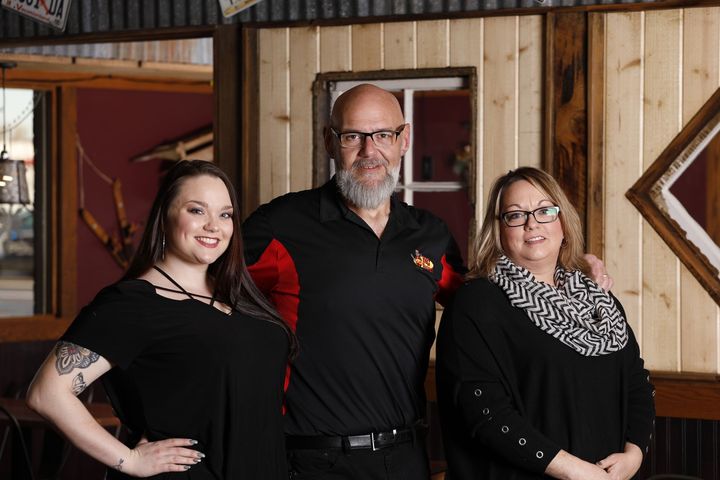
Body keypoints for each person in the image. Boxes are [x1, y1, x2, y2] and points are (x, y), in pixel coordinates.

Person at [242, 84, 614, 479]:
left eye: (383, 135)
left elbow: (492, 298)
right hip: (310, 461)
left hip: (406, 457)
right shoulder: (280, 225)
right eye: (353, 136)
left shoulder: (430, 235)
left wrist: (568, 268)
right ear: (330, 143)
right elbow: (201, 294)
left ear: (404, 139)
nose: (370, 152)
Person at [27, 160, 296, 479]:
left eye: (225, 214)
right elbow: (47, 394)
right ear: (164, 215)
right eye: (197, 210)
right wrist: (130, 460)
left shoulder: (238, 295)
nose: (214, 225)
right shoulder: (132, 303)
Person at [436, 166, 655, 480]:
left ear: (563, 222)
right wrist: (575, 471)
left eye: (544, 211)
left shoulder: (599, 301)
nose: (531, 224)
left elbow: (639, 383)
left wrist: (634, 454)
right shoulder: (476, 303)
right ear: (498, 230)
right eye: (515, 215)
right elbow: (483, 411)